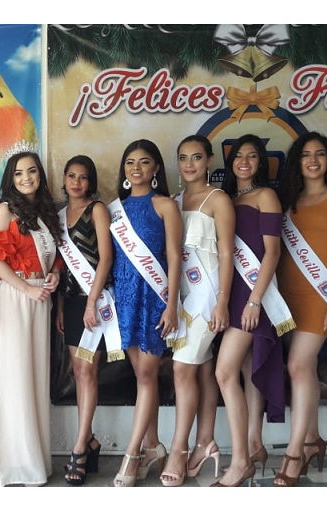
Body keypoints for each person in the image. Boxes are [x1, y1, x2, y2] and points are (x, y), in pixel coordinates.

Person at [274, 132, 327, 486]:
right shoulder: (288, 202)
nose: (313, 160)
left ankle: (294, 453)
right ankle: (312, 440)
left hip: (322, 297)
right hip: (287, 298)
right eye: (306, 155)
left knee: (298, 365)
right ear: (297, 162)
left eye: (320, 154)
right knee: (303, 369)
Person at [0, 151, 62, 487]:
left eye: (32, 171)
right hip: (14, 297)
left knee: (35, 379)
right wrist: (26, 287)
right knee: (15, 380)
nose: (27, 178)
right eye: (19, 173)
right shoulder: (5, 210)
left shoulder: (45, 212)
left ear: (40, 175)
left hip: (40, 298)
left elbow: (54, 256)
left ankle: (36, 462)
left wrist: (53, 275)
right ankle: (16, 467)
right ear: (10, 179)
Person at [214, 134, 289, 487]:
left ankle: (241, 460)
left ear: (261, 162)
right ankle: (255, 443)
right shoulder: (226, 199)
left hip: (252, 294)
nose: (244, 161)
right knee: (247, 367)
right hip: (231, 292)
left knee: (224, 372)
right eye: (238, 156)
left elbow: (273, 253)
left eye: (252, 156)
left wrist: (255, 300)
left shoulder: (265, 196)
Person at [108, 139, 182, 487]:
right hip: (125, 297)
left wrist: (172, 304)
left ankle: (133, 453)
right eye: (130, 162)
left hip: (154, 297)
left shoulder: (165, 205)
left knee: (148, 374)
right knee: (141, 375)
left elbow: (175, 257)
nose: (136, 168)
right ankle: (153, 446)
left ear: (156, 168)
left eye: (144, 161)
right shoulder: (115, 210)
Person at [162, 135, 233, 487]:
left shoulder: (218, 199)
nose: (189, 164)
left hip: (207, 298)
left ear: (209, 161)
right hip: (182, 297)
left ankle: (178, 449)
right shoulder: (175, 201)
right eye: (183, 158)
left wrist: (222, 301)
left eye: (196, 157)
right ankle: (205, 441)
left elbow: (227, 254)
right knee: (202, 369)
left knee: (182, 368)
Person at [54, 155, 115, 486]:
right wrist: (62, 307)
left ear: (91, 181)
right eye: (71, 176)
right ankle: (89, 440)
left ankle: (79, 447)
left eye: (83, 177)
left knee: (88, 371)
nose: (77, 182)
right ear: (64, 179)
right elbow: (63, 266)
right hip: (72, 301)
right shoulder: (59, 216)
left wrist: (91, 303)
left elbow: (105, 259)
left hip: (98, 302)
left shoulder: (97, 210)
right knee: (78, 372)